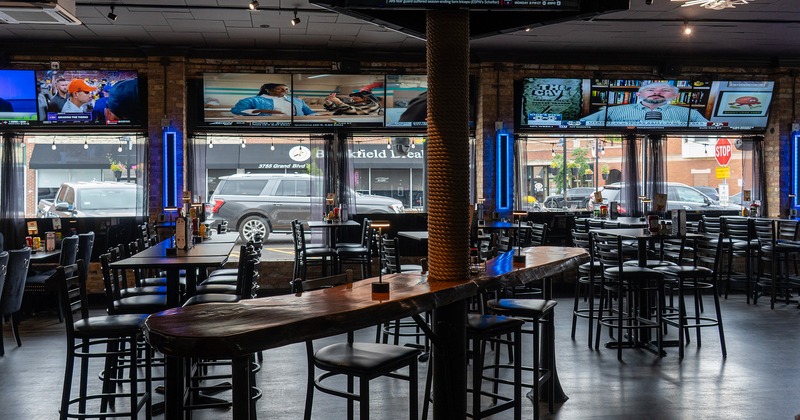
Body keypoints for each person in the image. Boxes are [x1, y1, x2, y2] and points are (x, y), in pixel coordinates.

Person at [581, 82, 708, 124]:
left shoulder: (690, 114)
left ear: (676, 96)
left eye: (665, 90)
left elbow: (717, 128)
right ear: (638, 94)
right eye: (650, 90)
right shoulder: (614, 111)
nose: (657, 93)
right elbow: (579, 124)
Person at [230, 83, 315, 116]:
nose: (284, 91)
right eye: (279, 89)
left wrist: (320, 116)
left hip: (296, 126)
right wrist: (261, 110)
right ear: (268, 90)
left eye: (286, 89)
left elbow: (310, 113)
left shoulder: (297, 101)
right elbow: (236, 110)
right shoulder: (252, 100)